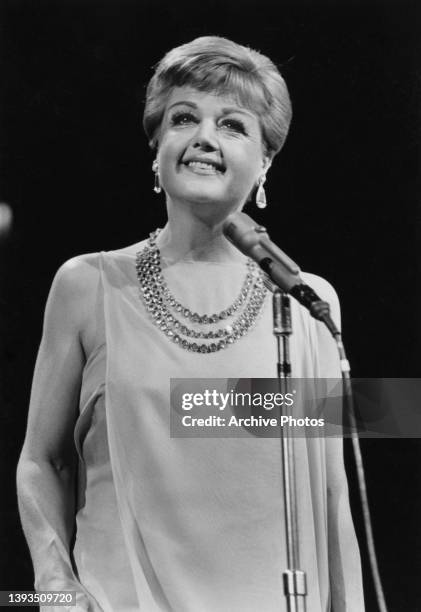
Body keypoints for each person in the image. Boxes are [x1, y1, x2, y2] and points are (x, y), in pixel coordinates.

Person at [17, 36, 364, 611]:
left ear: (266, 161)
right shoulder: (87, 285)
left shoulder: (305, 301)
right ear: (156, 148)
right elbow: (42, 459)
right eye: (184, 118)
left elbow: (330, 491)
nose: (204, 137)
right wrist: (54, 588)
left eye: (232, 124)